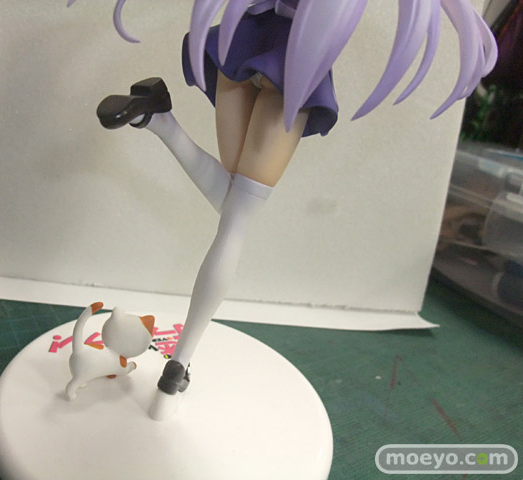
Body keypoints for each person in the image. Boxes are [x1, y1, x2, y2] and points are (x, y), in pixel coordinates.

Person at [77, 0, 497, 420]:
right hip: (295, 60)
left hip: (240, 40)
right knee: (237, 218)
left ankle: (156, 118)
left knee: (234, 202)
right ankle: (179, 363)